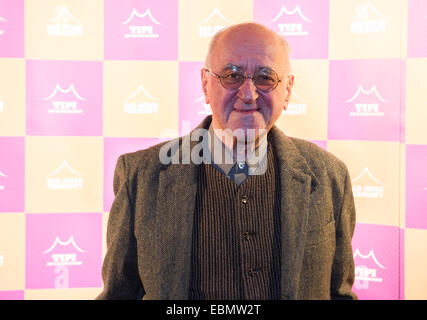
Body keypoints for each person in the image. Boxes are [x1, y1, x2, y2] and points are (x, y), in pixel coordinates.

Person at [97, 22, 357, 300]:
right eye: (231, 76)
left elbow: (339, 293)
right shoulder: (140, 177)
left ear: (288, 89)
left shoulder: (330, 177)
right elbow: (118, 294)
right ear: (205, 84)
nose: (248, 94)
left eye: (265, 77)